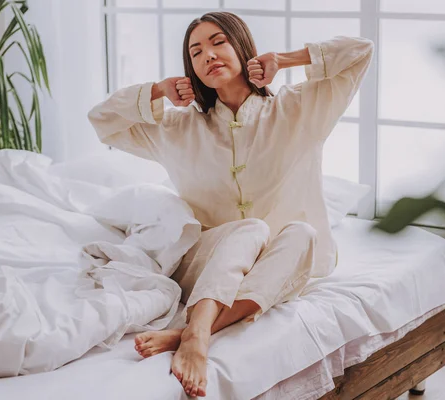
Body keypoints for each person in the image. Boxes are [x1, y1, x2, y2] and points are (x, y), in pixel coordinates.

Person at [88, 11, 374, 398]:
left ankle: (192, 333)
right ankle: (198, 336)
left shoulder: (297, 109)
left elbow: (360, 52)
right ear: (191, 68)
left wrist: (284, 60)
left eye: (218, 42)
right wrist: (157, 90)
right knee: (250, 229)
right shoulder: (177, 128)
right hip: (206, 267)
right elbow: (102, 119)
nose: (208, 55)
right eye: (196, 51)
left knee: (304, 234)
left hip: (277, 266)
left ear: (242, 46)